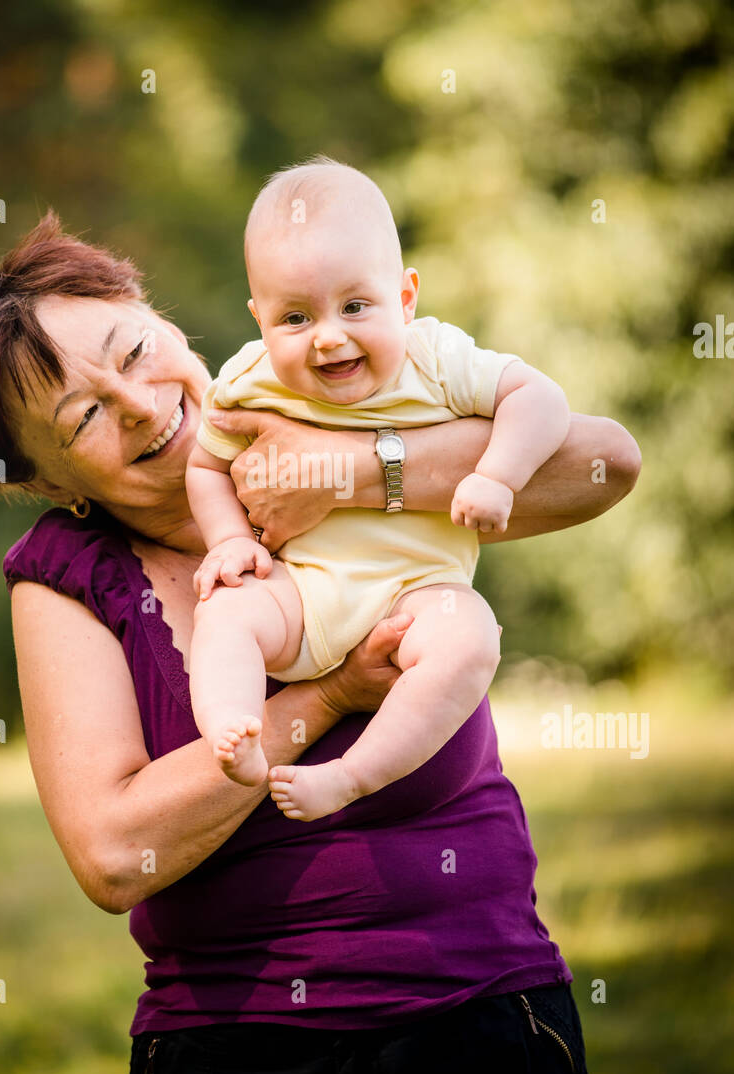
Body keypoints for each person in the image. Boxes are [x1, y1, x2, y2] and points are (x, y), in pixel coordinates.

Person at [0, 210, 640, 1074]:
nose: (142, 404)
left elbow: (603, 464)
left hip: (475, 1011)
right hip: (232, 1057)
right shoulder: (65, 580)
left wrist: (352, 474)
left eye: (134, 351)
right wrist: (330, 696)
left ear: (162, 318)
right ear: (50, 480)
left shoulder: (326, 391)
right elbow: (111, 855)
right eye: (86, 416)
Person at [187, 158, 573, 821]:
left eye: (355, 306)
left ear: (404, 297)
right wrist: (225, 540)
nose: (328, 336)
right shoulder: (248, 379)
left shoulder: (435, 360)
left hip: (418, 593)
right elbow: (205, 464)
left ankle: (351, 776)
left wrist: (495, 475)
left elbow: (540, 398)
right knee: (225, 612)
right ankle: (233, 732)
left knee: (471, 638)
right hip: (302, 594)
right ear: (258, 319)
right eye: (295, 318)